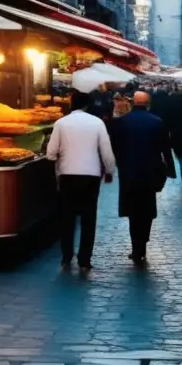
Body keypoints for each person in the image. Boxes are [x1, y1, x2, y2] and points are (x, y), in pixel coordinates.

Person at [46, 90, 116, 271]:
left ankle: (66, 256)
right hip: (91, 176)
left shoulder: (61, 123)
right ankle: (85, 260)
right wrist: (109, 171)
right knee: (88, 218)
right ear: (87, 105)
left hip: (67, 175)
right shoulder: (97, 123)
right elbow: (106, 151)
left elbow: (51, 153)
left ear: (71, 104)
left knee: (66, 218)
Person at [110, 92, 176, 264]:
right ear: (147, 104)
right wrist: (170, 168)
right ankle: (143, 242)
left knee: (132, 210)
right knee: (146, 208)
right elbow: (165, 148)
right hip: (150, 172)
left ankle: (136, 247)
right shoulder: (157, 122)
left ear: (133, 103)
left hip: (129, 171)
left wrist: (116, 165)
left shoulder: (121, 122)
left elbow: (115, 146)